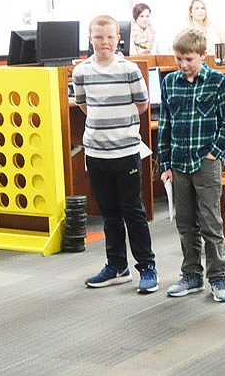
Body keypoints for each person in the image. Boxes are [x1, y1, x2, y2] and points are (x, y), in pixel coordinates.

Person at [73, 15, 158, 294]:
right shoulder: (81, 71)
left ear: (118, 38)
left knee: (133, 211)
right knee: (109, 213)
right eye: (98, 37)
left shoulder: (129, 69)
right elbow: (84, 106)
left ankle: (146, 266)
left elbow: (142, 106)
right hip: (96, 153)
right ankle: (117, 267)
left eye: (110, 37)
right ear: (90, 38)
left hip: (126, 151)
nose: (104, 42)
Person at [158, 28, 225, 302]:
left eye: (189, 59)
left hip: (205, 163)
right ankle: (191, 275)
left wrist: (214, 153)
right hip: (179, 162)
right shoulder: (170, 82)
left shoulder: (217, 81)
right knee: (185, 223)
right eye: (179, 58)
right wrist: (164, 163)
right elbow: (165, 125)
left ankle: (217, 278)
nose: (183, 64)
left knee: (210, 223)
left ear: (203, 56)